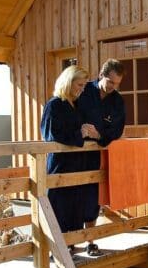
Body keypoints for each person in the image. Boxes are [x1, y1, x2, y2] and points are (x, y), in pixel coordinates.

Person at [40, 65, 100, 238]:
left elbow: (84, 130)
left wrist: (93, 132)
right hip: (61, 164)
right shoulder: (54, 105)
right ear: (68, 82)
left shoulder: (78, 105)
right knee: (60, 206)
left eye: (84, 85)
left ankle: (72, 243)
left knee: (76, 206)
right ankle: (57, 246)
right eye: (79, 85)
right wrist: (79, 133)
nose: (82, 89)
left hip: (79, 164)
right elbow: (50, 134)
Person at [76, 59, 126, 256]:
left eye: (117, 83)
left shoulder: (117, 101)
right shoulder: (83, 91)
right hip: (73, 152)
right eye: (111, 82)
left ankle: (90, 242)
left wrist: (99, 136)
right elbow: (69, 115)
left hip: (97, 153)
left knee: (91, 198)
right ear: (101, 75)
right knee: (72, 196)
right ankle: (69, 241)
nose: (113, 87)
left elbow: (117, 129)